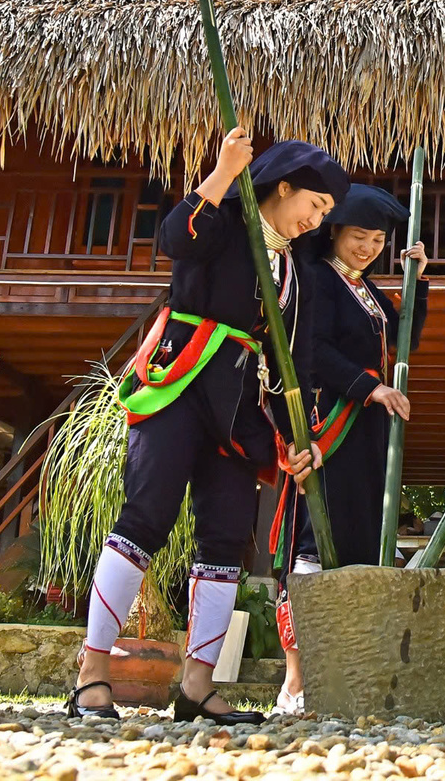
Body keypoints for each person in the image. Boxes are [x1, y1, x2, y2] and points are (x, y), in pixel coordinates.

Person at [67, 129, 347, 725]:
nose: (317, 222)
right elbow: (176, 239)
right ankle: (92, 674)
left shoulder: (300, 272)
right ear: (284, 186)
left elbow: (299, 360)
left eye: (326, 214)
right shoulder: (223, 222)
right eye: (315, 206)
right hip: (181, 380)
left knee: (224, 538)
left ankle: (198, 685)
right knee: (145, 517)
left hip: (241, 406)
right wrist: (222, 172)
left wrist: (305, 438)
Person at [270, 182, 429, 715]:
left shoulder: (370, 292)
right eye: (358, 236)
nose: (366, 248)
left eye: (378, 240)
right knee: (314, 545)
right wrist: (370, 386)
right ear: (333, 231)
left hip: (368, 436)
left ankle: (346, 676)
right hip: (327, 426)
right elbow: (309, 350)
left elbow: (404, 338)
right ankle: (295, 680)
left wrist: (418, 282)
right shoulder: (315, 279)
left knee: (360, 547)